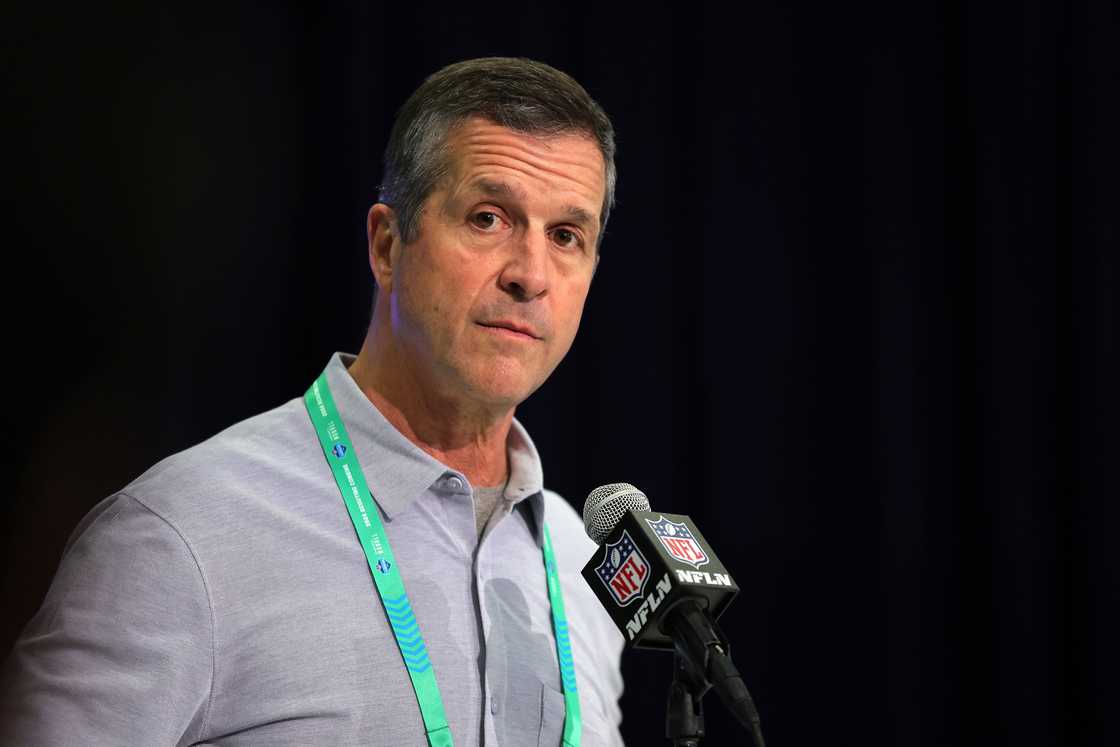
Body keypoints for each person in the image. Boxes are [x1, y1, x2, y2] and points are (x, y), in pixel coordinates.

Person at [1, 57, 625, 745]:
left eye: (567, 236)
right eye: (488, 218)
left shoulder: (580, 559)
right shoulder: (178, 536)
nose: (531, 274)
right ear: (387, 246)